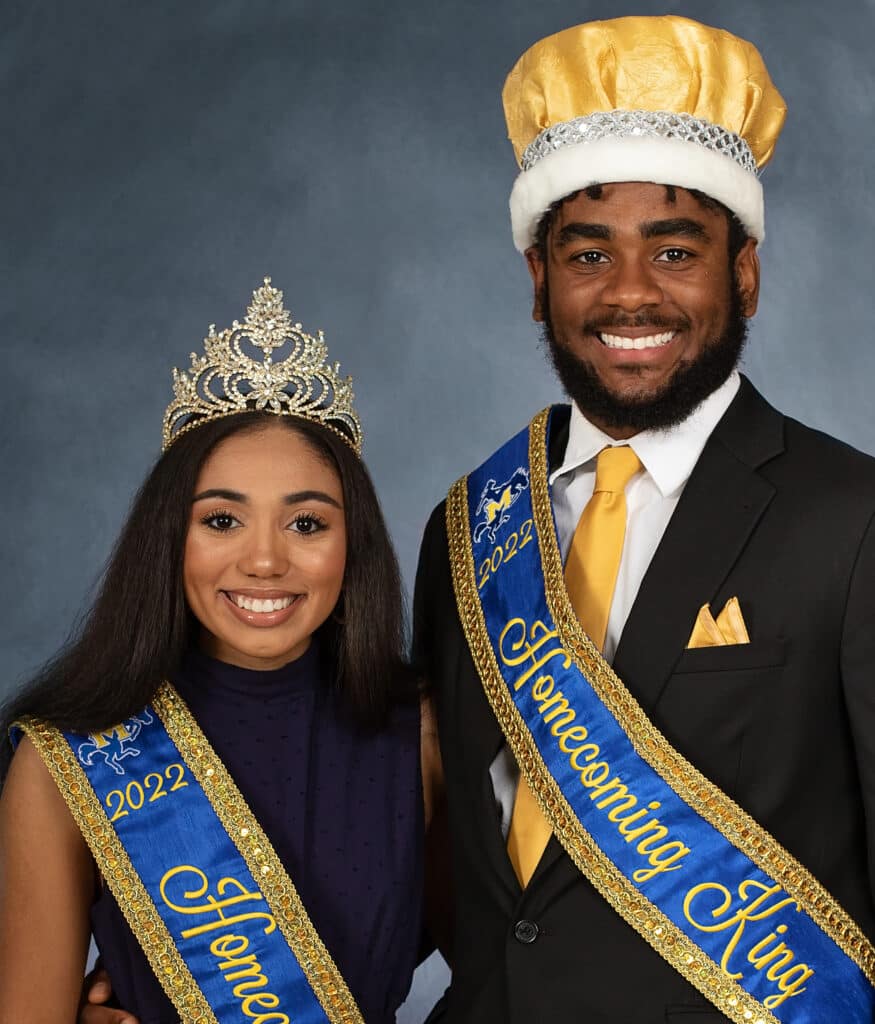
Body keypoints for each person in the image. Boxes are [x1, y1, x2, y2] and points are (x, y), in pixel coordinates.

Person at [413, 15, 875, 1023]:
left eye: (673, 250)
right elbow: (434, 855)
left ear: (743, 271)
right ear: (538, 282)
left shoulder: (851, 519)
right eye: (586, 255)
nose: (629, 293)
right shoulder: (466, 525)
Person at [0, 278, 443, 1024]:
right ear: (168, 537)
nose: (264, 561)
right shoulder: (68, 760)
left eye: (306, 524)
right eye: (221, 521)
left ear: (353, 545)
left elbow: (515, 975)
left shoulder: (425, 735)